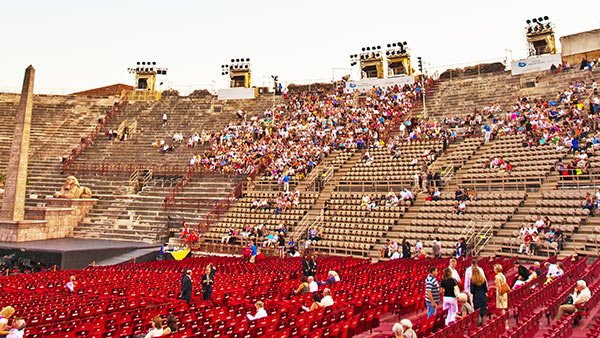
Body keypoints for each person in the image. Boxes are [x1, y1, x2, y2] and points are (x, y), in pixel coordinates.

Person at [494, 264, 509, 330]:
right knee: (502, 309)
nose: (493, 270)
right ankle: (504, 323)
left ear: (497, 270)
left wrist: (499, 295)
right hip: (504, 293)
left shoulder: (497, 276)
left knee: (502, 310)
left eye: (494, 269)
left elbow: (499, 287)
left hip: (501, 294)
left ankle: (506, 325)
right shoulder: (502, 275)